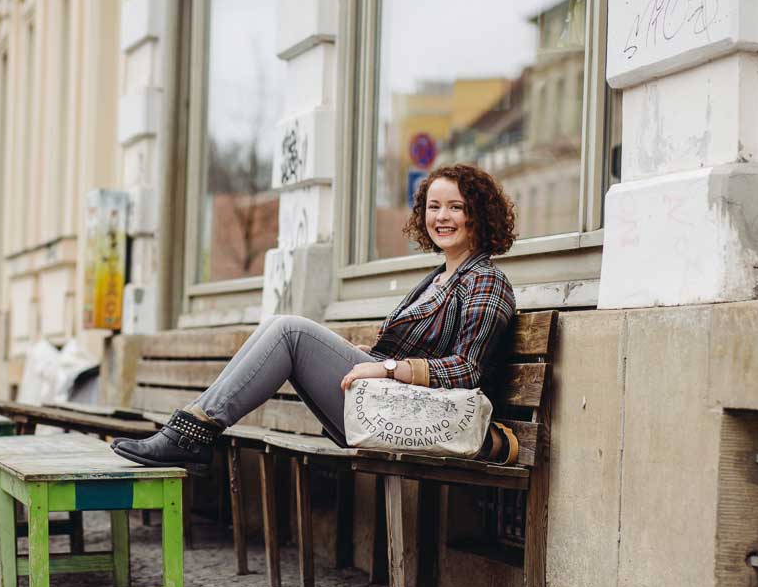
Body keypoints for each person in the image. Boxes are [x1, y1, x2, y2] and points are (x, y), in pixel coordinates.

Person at [113, 163, 518, 473]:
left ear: (478, 215)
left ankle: (191, 434)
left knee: (288, 329)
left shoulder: (485, 280)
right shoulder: (438, 278)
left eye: (455, 207)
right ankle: (191, 430)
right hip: (392, 408)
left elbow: (467, 370)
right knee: (280, 327)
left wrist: (387, 369)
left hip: (421, 415)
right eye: (433, 206)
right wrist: (372, 359)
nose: (441, 217)